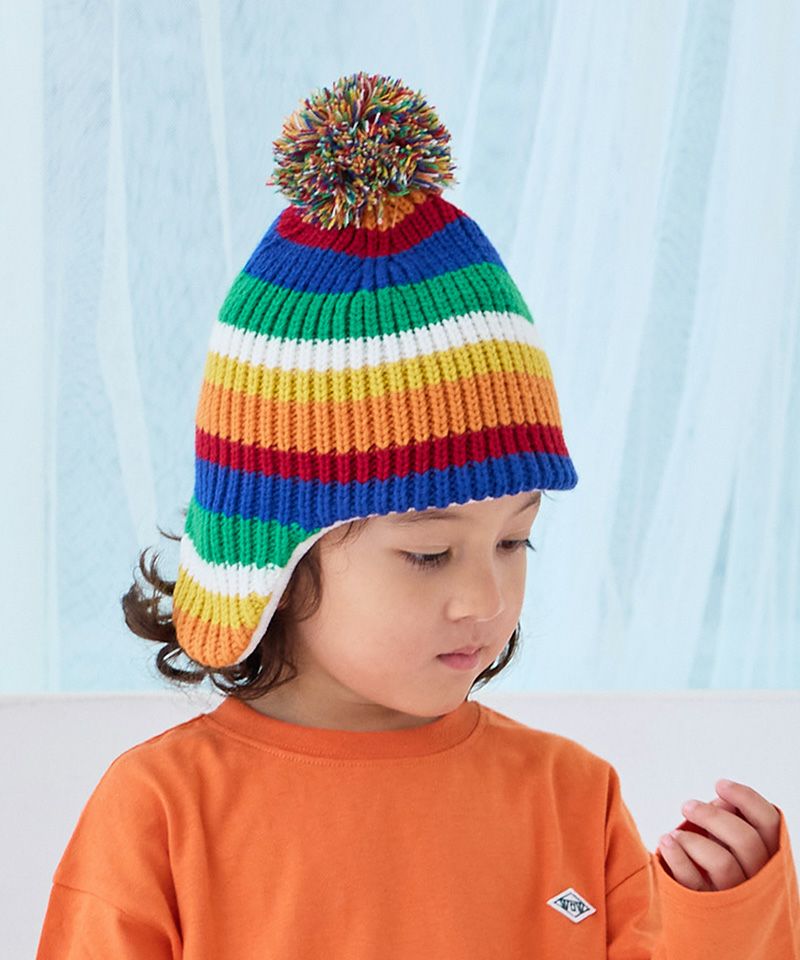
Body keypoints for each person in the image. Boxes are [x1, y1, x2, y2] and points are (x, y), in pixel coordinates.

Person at [36, 71, 799, 959]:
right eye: (430, 553)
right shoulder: (161, 814)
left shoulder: (571, 797)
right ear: (275, 558)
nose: (487, 598)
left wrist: (724, 924)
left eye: (514, 540)